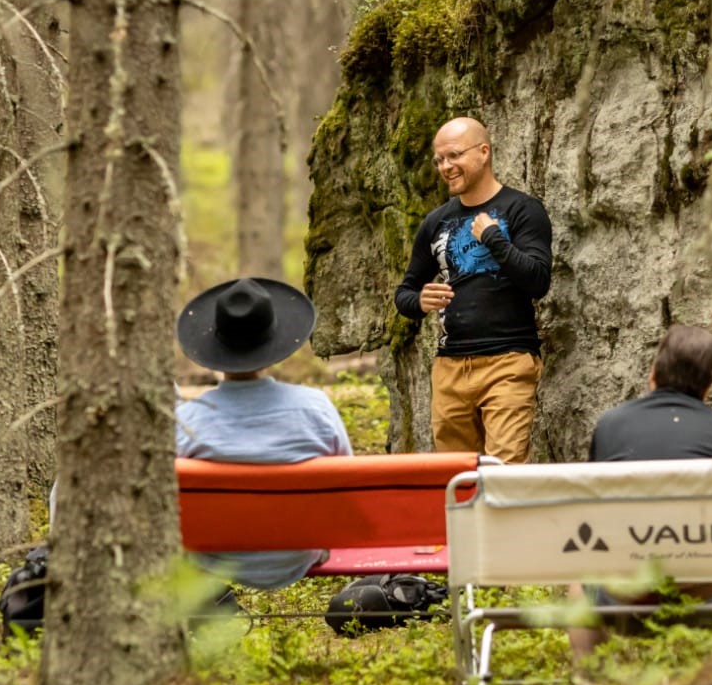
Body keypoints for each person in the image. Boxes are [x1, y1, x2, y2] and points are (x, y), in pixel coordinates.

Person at [569, 324, 712, 656]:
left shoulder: (612, 425)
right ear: (708, 387)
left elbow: (595, 507)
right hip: (710, 595)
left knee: (580, 579)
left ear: (653, 372)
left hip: (626, 596)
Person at [175, 278, 353, 594]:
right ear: (276, 345)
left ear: (214, 346)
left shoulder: (188, 421)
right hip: (298, 554)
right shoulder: (315, 409)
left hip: (215, 557)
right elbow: (347, 485)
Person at [394, 116, 552, 464]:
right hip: (449, 368)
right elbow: (404, 294)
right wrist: (419, 301)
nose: (445, 167)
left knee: (505, 474)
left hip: (508, 363)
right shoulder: (435, 222)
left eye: (453, 156)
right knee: (455, 476)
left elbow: (538, 281)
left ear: (483, 152)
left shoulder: (523, 209)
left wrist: (494, 239)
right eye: (439, 160)